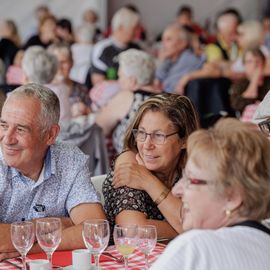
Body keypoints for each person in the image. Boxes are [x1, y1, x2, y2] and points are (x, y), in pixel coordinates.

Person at [0, 83, 105, 260]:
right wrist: (64, 224)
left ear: (50, 135)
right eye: (3, 125)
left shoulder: (69, 159)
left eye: (20, 129)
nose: (7, 139)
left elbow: (95, 230)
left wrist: (26, 247)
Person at [151, 118, 270, 269]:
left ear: (232, 197)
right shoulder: (265, 244)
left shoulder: (196, 248)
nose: (176, 191)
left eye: (190, 180)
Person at [103, 93, 199, 240]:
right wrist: (188, 230)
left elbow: (206, 221)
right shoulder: (129, 162)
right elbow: (132, 231)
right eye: (142, 133)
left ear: (184, 140)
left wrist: (148, 181)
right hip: (130, 259)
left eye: (159, 136)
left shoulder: (193, 166)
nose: (147, 145)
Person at [96, 48, 160, 154]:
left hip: (130, 165)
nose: (118, 81)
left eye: (120, 76)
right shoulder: (168, 98)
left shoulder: (128, 97)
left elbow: (99, 128)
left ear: (132, 81)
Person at [90, 7, 140, 85]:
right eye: (134, 28)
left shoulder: (136, 48)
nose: (137, 32)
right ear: (120, 27)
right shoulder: (102, 49)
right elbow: (98, 85)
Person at [155, 24, 205, 93]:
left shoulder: (189, 59)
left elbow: (168, 89)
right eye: (162, 40)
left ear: (182, 43)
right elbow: (159, 79)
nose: (163, 44)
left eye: (168, 39)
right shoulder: (170, 60)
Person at [230, 47, 270, 114]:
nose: (254, 65)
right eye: (249, 61)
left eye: (257, 61)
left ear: (263, 63)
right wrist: (255, 80)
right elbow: (238, 106)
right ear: (244, 65)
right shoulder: (239, 85)